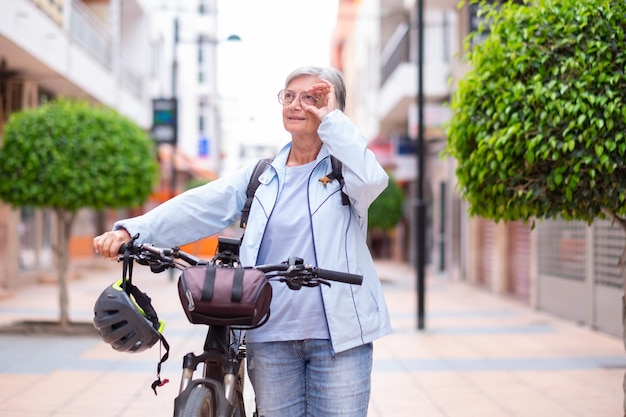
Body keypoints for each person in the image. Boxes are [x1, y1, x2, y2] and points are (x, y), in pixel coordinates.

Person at [93, 65, 392, 417]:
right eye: (290, 96)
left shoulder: (348, 172)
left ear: (334, 110)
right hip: (270, 337)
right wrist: (132, 231)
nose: (298, 104)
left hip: (340, 341)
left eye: (313, 98)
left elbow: (373, 180)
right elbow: (199, 206)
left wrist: (332, 122)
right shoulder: (261, 176)